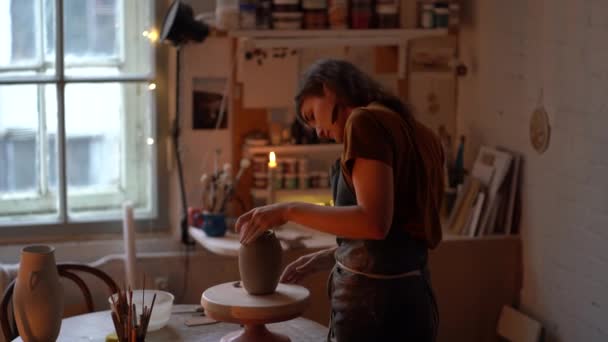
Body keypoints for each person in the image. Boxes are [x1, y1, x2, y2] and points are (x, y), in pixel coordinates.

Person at [236, 59, 445, 341]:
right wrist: (330, 257)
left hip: (374, 310)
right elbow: (397, 239)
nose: (318, 131)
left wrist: (287, 210)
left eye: (311, 115)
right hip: (415, 300)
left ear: (329, 88)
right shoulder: (420, 133)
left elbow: (373, 222)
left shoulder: (365, 121)